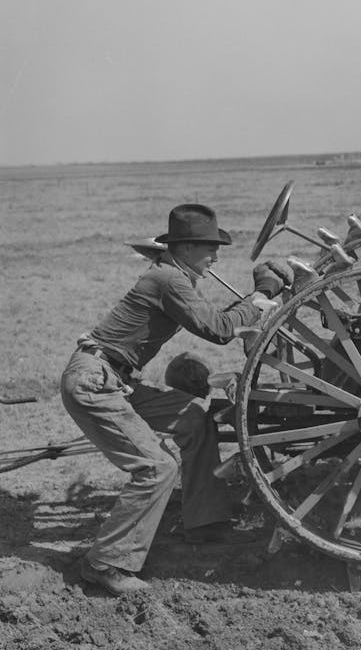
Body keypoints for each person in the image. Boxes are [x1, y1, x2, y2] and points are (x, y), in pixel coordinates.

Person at [61, 203, 293, 596]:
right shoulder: (168, 279)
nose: (216, 255)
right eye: (209, 247)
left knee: (193, 420)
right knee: (157, 468)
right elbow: (219, 329)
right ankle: (104, 562)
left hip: (114, 378)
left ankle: (205, 523)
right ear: (184, 247)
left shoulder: (172, 275)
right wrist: (263, 293)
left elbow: (218, 318)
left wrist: (257, 298)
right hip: (93, 382)